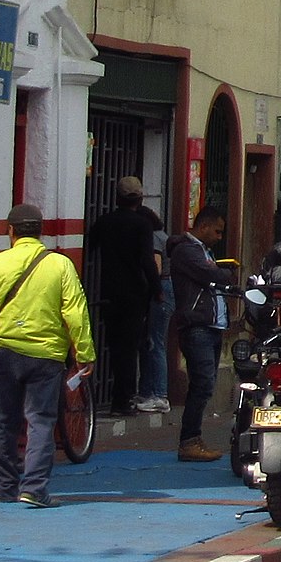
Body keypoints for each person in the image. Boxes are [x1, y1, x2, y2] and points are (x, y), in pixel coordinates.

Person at [0, 205, 94, 508]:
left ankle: (4, 488)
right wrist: (84, 352)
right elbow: (76, 312)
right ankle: (34, 489)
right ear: (40, 232)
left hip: (6, 353)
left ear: (10, 231)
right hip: (47, 356)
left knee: (3, 422)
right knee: (41, 421)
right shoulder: (60, 265)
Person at [86, 176, 163, 415]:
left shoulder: (104, 221)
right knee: (130, 348)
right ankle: (123, 399)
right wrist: (157, 288)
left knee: (113, 345)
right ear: (139, 199)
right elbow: (147, 261)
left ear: (117, 198)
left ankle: (112, 394)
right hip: (135, 295)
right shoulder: (142, 225)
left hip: (109, 292)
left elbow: (89, 247)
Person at [165, 206, 230, 463]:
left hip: (211, 325)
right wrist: (224, 274)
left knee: (206, 384)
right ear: (203, 226)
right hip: (197, 326)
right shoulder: (186, 251)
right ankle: (189, 440)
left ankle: (194, 438)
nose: (219, 237)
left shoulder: (204, 251)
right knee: (202, 383)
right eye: (217, 231)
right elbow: (212, 275)